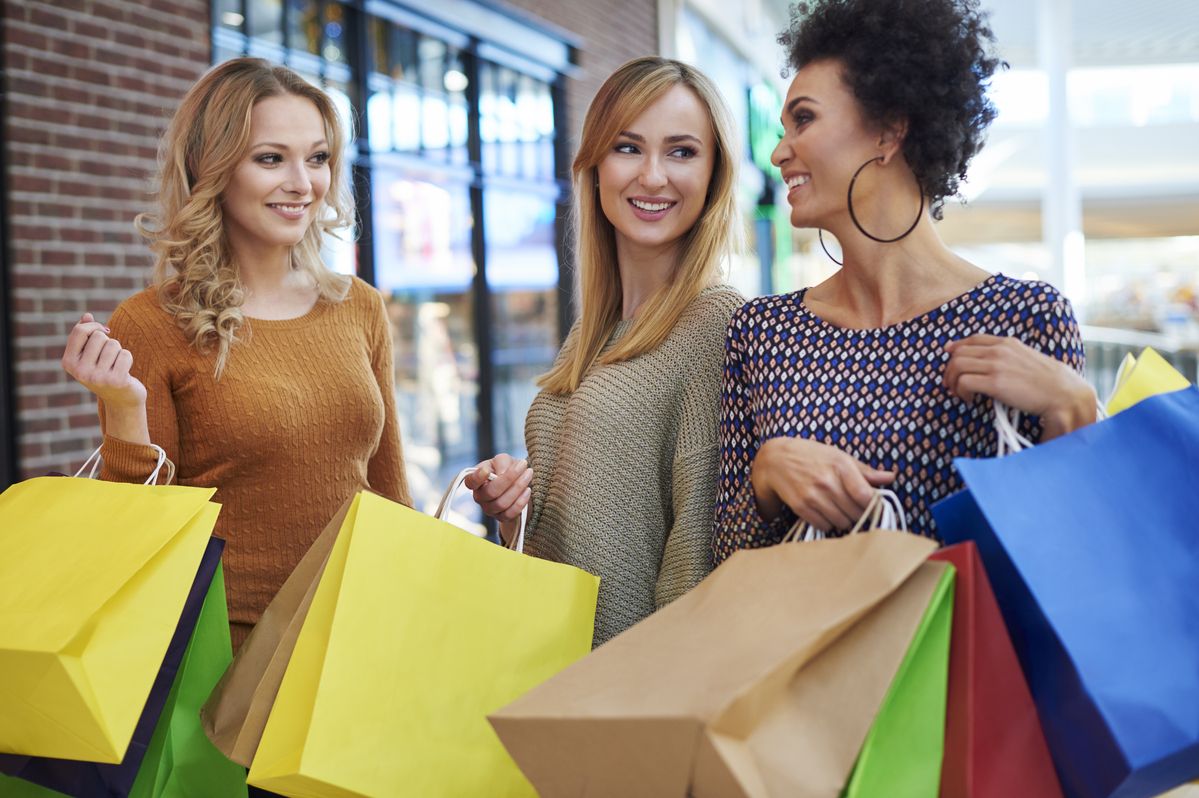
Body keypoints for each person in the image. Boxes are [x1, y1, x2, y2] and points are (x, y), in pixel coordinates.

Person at [713, 0, 1097, 560]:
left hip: (968, 647)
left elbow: (1071, 557)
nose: (778, 152)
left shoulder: (1026, 317)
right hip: (819, 646)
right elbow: (727, 569)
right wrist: (767, 477)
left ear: (889, 131)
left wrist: (1073, 410)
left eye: (804, 118)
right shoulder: (763, 332)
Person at [60, 58, 411, 649]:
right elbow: (140, 532)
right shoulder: (150, 324)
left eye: (318, 158)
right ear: (214, 168)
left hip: (356, 631)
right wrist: (123, 408)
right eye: (271, 158)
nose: (303, 183)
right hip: (228, 649)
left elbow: (389, 488)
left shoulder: (359, 306)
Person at [464, 57, 744, 646]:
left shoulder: (716, 323)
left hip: (628, 696)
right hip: (551, 671)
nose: (652, 175)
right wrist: (517, 506)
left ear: (715, 173)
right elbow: (598, 527)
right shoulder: (591, 333)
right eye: (628, 147)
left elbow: (695, 560)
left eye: (682, 151)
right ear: (594, 167)